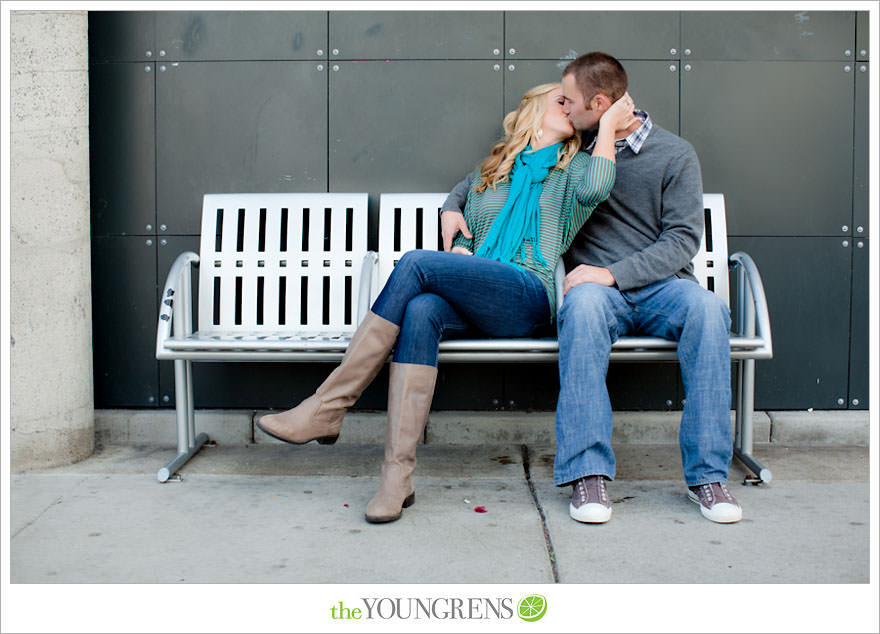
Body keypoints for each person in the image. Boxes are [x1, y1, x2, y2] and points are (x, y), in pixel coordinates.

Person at [258, 82, 635, 524]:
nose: (570, 107)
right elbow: (460, 201)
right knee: (421, 310)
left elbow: (599, 187)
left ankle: (329, 405)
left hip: (527, 293)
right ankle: (396, 477)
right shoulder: (490, 173)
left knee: (418, 264)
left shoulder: (574, 171)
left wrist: (606, 124)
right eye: (561, 100)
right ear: (532, 109)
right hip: (481, 291)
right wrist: (454, 227)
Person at [440, 52, 742, 525]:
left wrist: (615, 273)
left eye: (569, 100)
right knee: (578, 309)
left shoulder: (674, 153)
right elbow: (498, 168)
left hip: (661, 286)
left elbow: (682, 240)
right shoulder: (572, 149)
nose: (562, 106)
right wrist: (452, 206)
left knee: (708, 310)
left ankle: (708, 477)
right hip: (591, 291)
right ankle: (588, 475)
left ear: (599, 103)